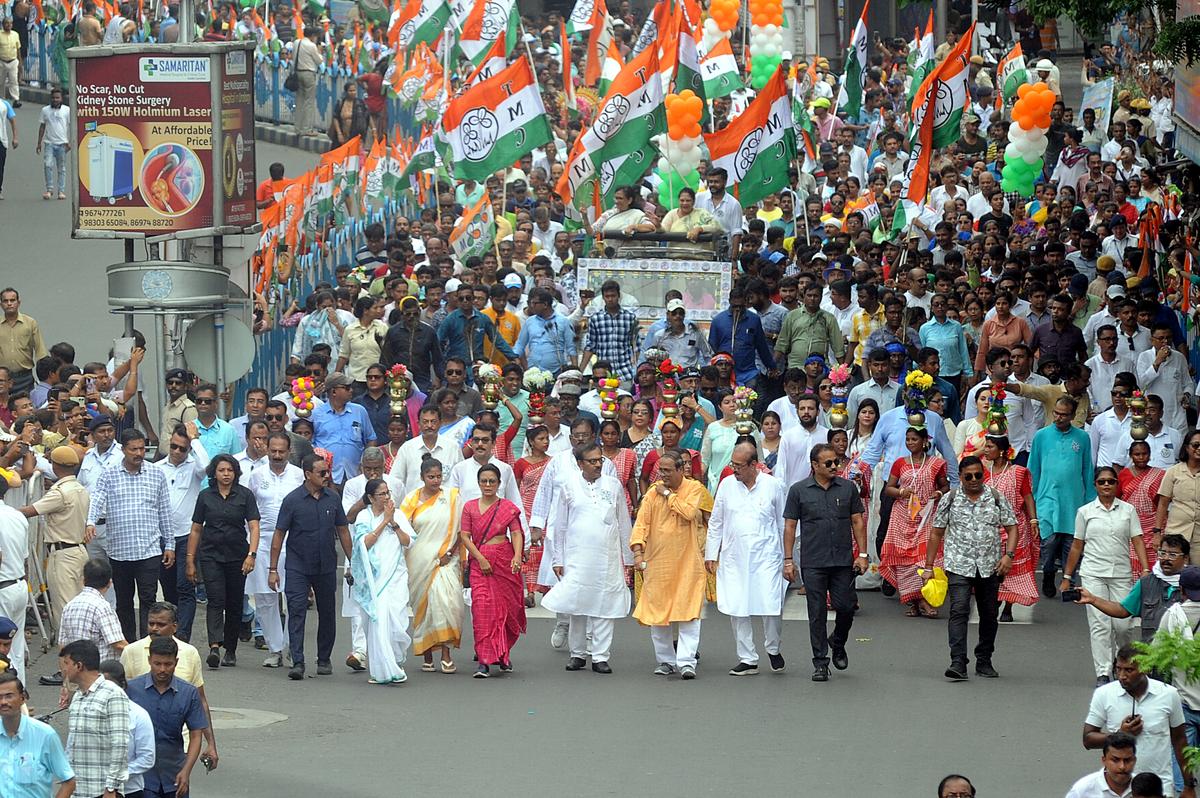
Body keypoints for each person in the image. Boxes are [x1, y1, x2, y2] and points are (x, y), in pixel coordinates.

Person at [923, 455, 1018, 681]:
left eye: (978, 475)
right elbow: (936, 533)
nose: (974, 480)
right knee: (959, 610)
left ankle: (984, 660)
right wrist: (928, 566)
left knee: (989, 614)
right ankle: (958, 662)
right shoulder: (950, 499)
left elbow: (1012, 527)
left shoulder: (996, 497)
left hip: (990, 566)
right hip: (958, 564)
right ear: (960, 477)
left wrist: (1009, 556)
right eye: (969, 476)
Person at [541, 444, 633, 674]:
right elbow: (560, 526)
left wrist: (629, 558)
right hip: (577, 557)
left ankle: (600, 656)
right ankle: (578, 654)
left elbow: (623, 522)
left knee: (605, 605)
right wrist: (558, 559)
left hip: (607, 558)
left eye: (600, 460)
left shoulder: (613, 485)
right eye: (592, 461)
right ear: (580, 464)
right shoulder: (569, 486)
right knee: (577, 604)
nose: (598, 464)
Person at [783, 443, 867, 681]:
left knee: (846, 607)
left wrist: (862, 555)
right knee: (817, 613)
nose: (834, 466)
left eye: (836, 462)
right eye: (828, 463)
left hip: (842, 561)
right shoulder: (799, 490)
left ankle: (838, 642)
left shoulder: (848, 488)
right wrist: (788, 560)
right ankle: (820, 662)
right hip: (813, 561)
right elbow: (790, 526)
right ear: (815, 465)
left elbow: (857, 521)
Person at [86, 429, 176, 643]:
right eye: (133, 449)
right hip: (119, 550)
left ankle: (148, 643)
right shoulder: (109, 475)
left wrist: (170, 544)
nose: (139, 453)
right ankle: (128, 646)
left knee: (148, 599)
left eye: (142, 449)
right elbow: (97, 499)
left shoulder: (156, 474)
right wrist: (90, 522)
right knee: (124, 602)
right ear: (123, 450)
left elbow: (165, 511)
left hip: (149, 550)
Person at [268, 454, 353, 680]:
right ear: (307, 474)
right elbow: (279, 534)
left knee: (327, 612)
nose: (327, 476)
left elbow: (343, 530)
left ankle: (324, 658)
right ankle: (297, 661)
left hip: (326, 564)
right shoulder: (292, 500)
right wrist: (273, 569)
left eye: (328, 472)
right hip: (298, 565)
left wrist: (353, 561)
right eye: (322, 473)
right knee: (296, 610)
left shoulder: (333, 498)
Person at [706, 441, 787, 676]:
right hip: (735, 557)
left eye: (739, 465)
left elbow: (783, 523)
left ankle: (773, 648)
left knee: (771, 604)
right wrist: (711, 554)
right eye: (733, 464)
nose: (734, 470)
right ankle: (747, 658)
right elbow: (716, 522)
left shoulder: (772, 485)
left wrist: (788, 558)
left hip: (767, 556)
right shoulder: (726, 485)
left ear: (754, 465)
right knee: (737, 605)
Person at [630, 450, 707, 680]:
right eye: (660, 470)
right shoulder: (652, 493)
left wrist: (667, 495)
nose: (662, 475)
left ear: (680, 469)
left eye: (667, 470)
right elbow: (641, 524)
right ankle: (665, 661)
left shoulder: (693, 488)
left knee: (689, 612)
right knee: (658, 612)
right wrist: (637, 552)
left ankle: (686, 662)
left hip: (687, 562)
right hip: (658, 562)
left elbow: (689, 512)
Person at [1084, 644, 1195, 797]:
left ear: (1146, 669)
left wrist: (1189, 785)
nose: (1122, 676)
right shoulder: (1104, 694)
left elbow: (1180, 741)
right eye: (1118, 669)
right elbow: (1088, 739)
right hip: (1119, 789)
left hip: (1159, 787)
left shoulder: (1169, 695)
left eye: (1129, 670)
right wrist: (1120, 734)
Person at [119, 602, 217, 772]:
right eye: (151, 623)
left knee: (178, 783)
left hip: (180, 746)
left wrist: (211, 744)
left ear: (174, 627)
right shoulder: (131, 651)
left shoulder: (189, 653)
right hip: (139, 745)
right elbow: (121, 698)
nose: (154, 629)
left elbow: (200, 701)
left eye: (161, 624)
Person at [186, 454, 261, 670]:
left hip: (238, 556)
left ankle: (230, 649)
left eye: (230, 470)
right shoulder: (205, 496)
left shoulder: (245, 495)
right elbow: (196, 529)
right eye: (221, 470)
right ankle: (214, 647)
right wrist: (190, 559)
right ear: (214, 473)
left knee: (234, 602)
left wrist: (251, 554)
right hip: (211, 555)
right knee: (215, 599)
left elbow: (254, 526)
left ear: (235, 473)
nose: (226, 474)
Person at [459, 464, 526, 678]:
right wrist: (480, 558)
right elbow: (464, 536)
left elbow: (516, 533)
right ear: (478, 483)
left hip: (504, 560)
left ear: (499, 484)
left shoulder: (507, 507)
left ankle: (503, 654)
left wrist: (517, 556)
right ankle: (484, 661)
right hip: (479, 563)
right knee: (482, 609)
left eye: (492, 481)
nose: (487, 485)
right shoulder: (469, 507)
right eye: (484, 481)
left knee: (506, 609)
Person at [400, 456, 464, 674]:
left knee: (448, 604)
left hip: (446, 559)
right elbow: (402, 529)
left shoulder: (452, 497)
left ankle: (446, 655)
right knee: (424, 607)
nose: (436, 481)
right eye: (431, 477)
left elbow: (461, 530)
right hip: (418, 561)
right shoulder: (411, 499)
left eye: (438, 476)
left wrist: (450, 552)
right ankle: (427, 654)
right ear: (422, 477)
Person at [349, 478, 415, 685]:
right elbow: (364, 544)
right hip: (373, 579)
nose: (387, 497)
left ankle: (395, 661)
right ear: (371, 498)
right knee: (378, 621)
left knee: (397, 620)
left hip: (396, 576)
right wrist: (384, 521)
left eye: (388, 493)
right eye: (382, 494)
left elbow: (408, 542)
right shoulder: (364, 516)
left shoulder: (399, 515)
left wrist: (393, 523)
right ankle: (382, 671)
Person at [1029, 397, 1096, 598]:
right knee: (1048, 543)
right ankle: (1048, 574)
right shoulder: (1041, 436)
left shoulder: (1082, 438)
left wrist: (1090, 500)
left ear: (1073, 415)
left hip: (1073, 501)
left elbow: (1087, 470)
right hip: (1046, 498)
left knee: (1071, 544)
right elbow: (1033, 469)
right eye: (1056, 413)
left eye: (1064, 415)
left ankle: (1069, 584)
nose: (1058, 417)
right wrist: (1032, 498)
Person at [880, 426, 950, 617]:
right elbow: (889, 488)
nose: (910, 442)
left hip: (926, 515)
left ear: (924, 441)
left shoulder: (936, 463)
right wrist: (902, 492)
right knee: (905, 561)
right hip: (903, 515)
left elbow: (945, 486)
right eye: (908, 439)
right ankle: (913, 601)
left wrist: (938, 493)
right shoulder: (900, 463)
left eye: (914, 439)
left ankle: (925, 600)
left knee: (926, 558)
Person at [147, 426, 208, 642]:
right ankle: (170, 633)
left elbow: (207, 466)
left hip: (187, 536)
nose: (176, 451)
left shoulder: (194, 467)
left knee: (185, 587)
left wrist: (195, 440)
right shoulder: (156, 468)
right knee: (168, 588)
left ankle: (183, 637)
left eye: (183, 448)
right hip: (162, 537)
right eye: (173, 446)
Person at [128, 637, 207, 798]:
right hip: (140, 780)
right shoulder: (131, 690)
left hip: (175, 777)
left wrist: (186, 771)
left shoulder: (189, 693)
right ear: (149, 660)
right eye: (157, 664)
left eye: (168, 664)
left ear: (176, 662)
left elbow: (196, 735)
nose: (162, 669)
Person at [60, 639, 132, 798]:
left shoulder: (113, 694)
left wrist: (111, 788)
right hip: (78, 791)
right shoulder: (78, 696)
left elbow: (120, 744)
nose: (63, 669)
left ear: (79, 666)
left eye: (66, 663)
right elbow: (73, 744)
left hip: (101, 790)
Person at [980, 435, 1039, 621]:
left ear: (1001, 451)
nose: (986, 450)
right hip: (990, 529)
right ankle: (996, 598)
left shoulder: (1018, 472)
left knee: (1012, 568)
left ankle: (1008, 606)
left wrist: (1033, 520)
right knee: (992, 567)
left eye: (990, 447)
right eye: (986, 446)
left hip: (1015, 527)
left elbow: (1027, 497)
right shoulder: (982, 472)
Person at [0, 670, 76, 798]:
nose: (3, 702)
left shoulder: (45, 735)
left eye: (9, 696)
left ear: (22, 698)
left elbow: (69, 782)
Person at [96, 658, 155, 798]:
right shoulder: (91, 712)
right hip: (94, 790)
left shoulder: (138, 715)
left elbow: (147, 758)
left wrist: (117, 775)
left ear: (122, 685)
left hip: (129, 791)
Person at [311, 372, 377, 486]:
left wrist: (365, 462)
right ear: (333, 391)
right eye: (347, 388)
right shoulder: (316, 414)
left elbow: (371, 439)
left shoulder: (359, 411)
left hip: (355, 474)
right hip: (327, 476)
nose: (351, 390)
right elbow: (311, 444)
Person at [0, 478, 28, 681]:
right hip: (18, 585)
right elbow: (25, 557)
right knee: (15, 648)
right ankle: (20, 693)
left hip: (3, 587)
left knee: (4, 652)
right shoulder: (17, 516)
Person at [1155, 430, 1200, 553]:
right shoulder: (1173, 472)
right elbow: (1163, 503)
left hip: (1198, 537)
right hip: (1176, 533)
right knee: (1174, 564)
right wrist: (1157, 532)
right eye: (1195, 445)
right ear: (1186, 447)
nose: (1199, 449)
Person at [0, 288, 47, 394]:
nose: (9, 304)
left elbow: (40, 352)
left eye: (12, 300)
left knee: (26, 403)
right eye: (5, 301)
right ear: (1, 304)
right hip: (2, 379)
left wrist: (44, 378)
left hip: (25, 377)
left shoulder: (30, 323)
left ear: (19, 302)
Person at [1064, 732, 1138, 798]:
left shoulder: (1143, 786)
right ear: (1104, 760)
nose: (1122, 766)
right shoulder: (1082, 790)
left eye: (1127, 760)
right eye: (1115, 760)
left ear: (1134, 760)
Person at [36, 88, 70, 201]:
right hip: (49, 143)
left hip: (62, 143)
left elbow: (72, 126)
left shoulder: (67, 110)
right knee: (48, 165)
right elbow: (42, 127)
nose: (55, 100)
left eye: (57, 98)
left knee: (61, 168)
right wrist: (39, 143)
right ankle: (49, 189)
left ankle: (61, 191)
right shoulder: (45, 110)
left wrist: (70, 142)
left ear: (61, 99)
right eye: (53, 98)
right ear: (50, 98)